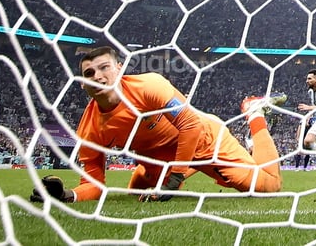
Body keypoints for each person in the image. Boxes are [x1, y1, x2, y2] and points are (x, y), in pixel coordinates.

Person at [29, 46, 287, 204]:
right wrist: (67, 195)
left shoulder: (149, 86)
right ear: (83, 84)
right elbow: (94, 185)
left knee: (268, 187)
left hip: (205, 140)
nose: (97, 76)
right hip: (162, 158)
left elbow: (190, 125)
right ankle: (150, 173)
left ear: (119, 69)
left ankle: (254, 112)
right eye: (89, 74)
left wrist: (175, 178)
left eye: (104, 67)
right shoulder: (90, 129)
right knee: (136, 196)